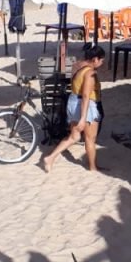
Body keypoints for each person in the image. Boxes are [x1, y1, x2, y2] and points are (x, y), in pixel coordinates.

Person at [42, 43, 105, 173]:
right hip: (86, 106)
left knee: (74, 137)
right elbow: (86, 96)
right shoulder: (90, 73)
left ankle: (50, 158)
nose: (102, 63)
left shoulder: (77, 65)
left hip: (72, 101)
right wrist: (83, 118)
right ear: (95, 59)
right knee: (90, 138)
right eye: (101, 60)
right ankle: (93, 167)